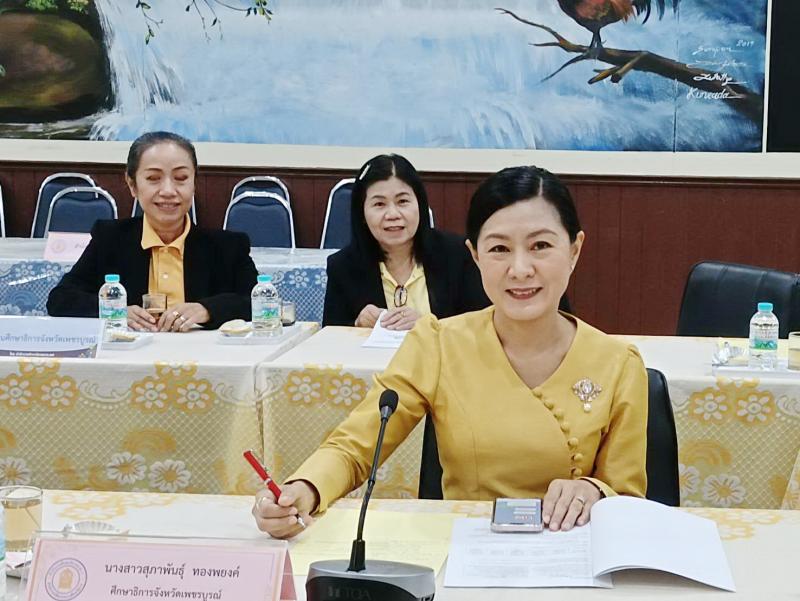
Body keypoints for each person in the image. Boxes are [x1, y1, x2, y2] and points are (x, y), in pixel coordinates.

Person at [253, 165, 648, 538]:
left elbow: (627, 496)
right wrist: (304, 489)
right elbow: (355, 446)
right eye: (499, 249)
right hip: (467, 551)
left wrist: (594, 490)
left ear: (575, 250)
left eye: (540, 246)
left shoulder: (618, 363)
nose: (520, 269)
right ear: (475, 256)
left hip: (574, 552)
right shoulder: (439, 343)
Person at [47, 131, 258, 331]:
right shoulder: (110, 238)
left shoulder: (227, 246)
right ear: (132, 185)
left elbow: (256, 301)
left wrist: (207, 310)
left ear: (194, 183)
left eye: (181, 178)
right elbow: (61, 299)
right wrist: (115, 311)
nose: (168, 191)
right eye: (153, 179)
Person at [322, 154, 489, 330]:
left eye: (402, 201)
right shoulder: (342, 266)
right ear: (362, 213)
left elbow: (481, 325)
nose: (392, 214)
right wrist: (356, 324)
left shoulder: (457, 254)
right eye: (379, 204)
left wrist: (428, 326)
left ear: (420, 206)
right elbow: (329, 336)